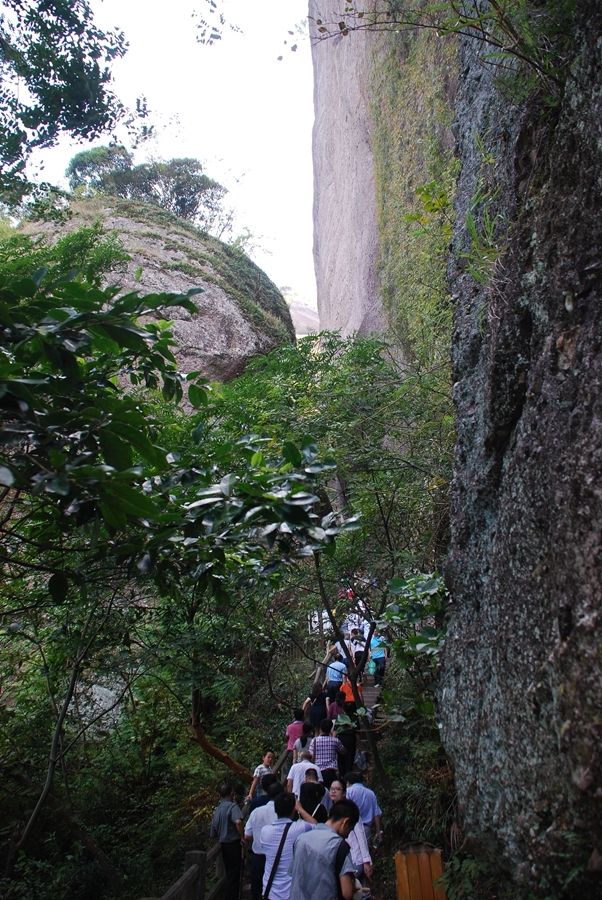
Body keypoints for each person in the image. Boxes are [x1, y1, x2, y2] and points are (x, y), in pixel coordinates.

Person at [288, 799, 360, 900]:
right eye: (350, 829)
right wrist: (353, 886)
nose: (348, 835)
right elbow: (347, 893)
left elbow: (292, 873)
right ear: (345, 822)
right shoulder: (339, 846)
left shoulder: (301, 839)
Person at [260, 791, 316, 900]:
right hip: (292, 891)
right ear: (293, 809)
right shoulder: (299, 828)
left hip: (270, 891)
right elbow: (315, 825)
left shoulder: (265, 831)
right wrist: (300, 809)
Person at [328, 781, 373, 896]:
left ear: (344, 793)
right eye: (331, 788)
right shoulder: (331, 810)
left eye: (337, 789)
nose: (333, 791)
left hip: (353, 856)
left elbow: (361, 836)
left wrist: (366, 861)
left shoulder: (349, 811)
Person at [244, 782, 284, 900]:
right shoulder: (281, 813)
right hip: (276, 859)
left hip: (258, 857)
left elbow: (247, 835)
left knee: (256, 891)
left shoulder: (256, 811)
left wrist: (258, 837)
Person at [210, 783, 245, 900]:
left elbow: (213, 832)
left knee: (229, 873)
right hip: (233, 844)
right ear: (231, 794)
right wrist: (242, 836)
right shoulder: (232, 807)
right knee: (234, 875)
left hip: (224, 845)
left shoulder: (218, 810)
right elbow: (238, 822)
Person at [344, 773, 382, 844]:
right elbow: (377, 813)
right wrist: (378, 831)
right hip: (366, 828)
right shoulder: (371, 793)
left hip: (351, 826)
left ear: (347, 783)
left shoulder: (348, 791)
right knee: (365, 852)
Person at [309, 719, 346, 788]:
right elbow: (343, 751)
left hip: (318, 771)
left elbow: (311, 755)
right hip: (331, 771)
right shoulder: (335, 741)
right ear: (330, 729)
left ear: (320, 729)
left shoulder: (314, 741)